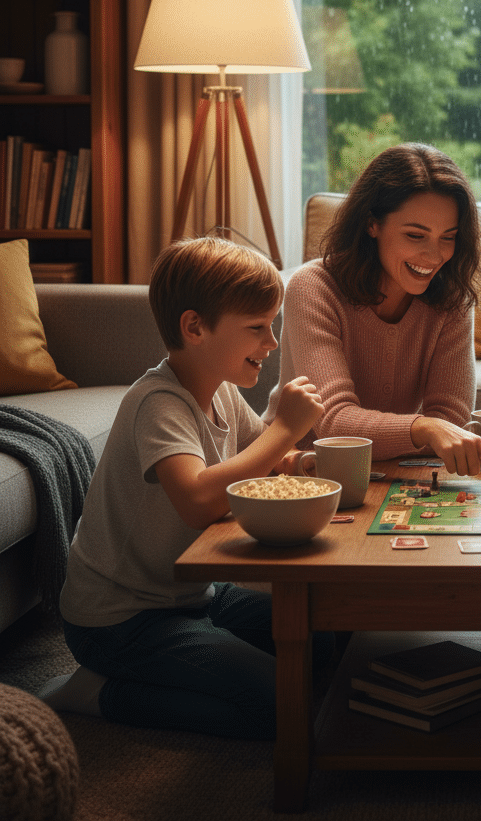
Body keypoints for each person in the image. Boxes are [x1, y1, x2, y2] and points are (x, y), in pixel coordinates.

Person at [39, 237, 333, 739]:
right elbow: (197, 500)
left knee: (327, 635)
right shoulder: (159, 403)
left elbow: (260, 458)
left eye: (273, 325)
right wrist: (286, 427)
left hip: (195, 596)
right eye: (258, 328)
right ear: (194, 327)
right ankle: (99, 693)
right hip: (119, 620)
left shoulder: (220, 391)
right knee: (283, 703)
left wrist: (305, 459)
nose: (273, 342)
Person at [266, 143, 481, 479]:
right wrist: (423, 429)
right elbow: (334, 424)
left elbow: (450, 421)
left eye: (448, 237)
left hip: (390, 471)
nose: (434, 255)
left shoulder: (452, 296)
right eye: (415, 235)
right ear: (372, 224)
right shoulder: (314, 287)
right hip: (298, 471)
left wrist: (427, 431)